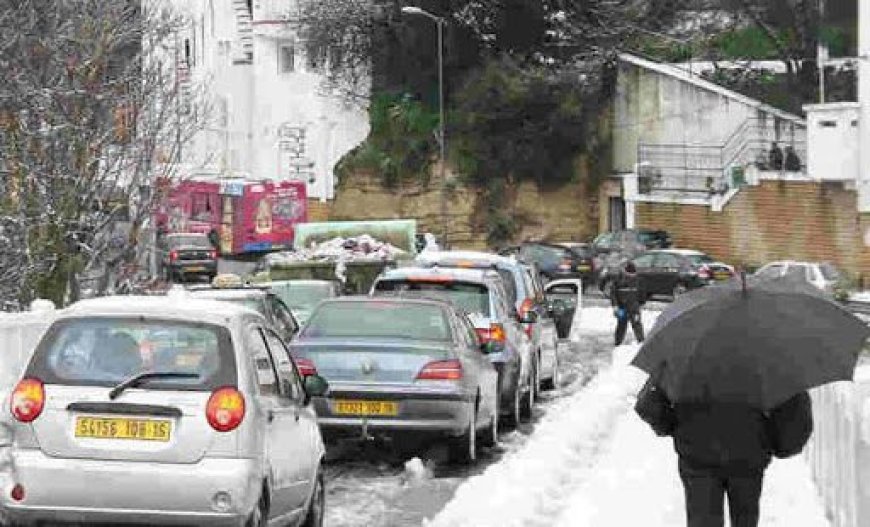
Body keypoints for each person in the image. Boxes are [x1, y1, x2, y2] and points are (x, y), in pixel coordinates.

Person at [635, 383, 813, 527]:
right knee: (745, 519)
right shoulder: (764, 352)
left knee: (702, 520)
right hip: (748, 454)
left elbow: (647, 403)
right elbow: (794, 408)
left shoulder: (684, 351)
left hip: (697, 453)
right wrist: (775, 440)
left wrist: (671, 425)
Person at [610, 260, 645, 345]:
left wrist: (640, 304)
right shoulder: (619, 280)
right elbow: (613, 293)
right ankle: (618, 343)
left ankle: (641, 342)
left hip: (633, 307)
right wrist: (615, 306)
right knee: (622, 325)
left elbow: (642, 294)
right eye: (629, 275)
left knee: (636, 325)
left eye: (632, 275)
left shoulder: (639, 280)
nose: (631, 277)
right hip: (623, 307)